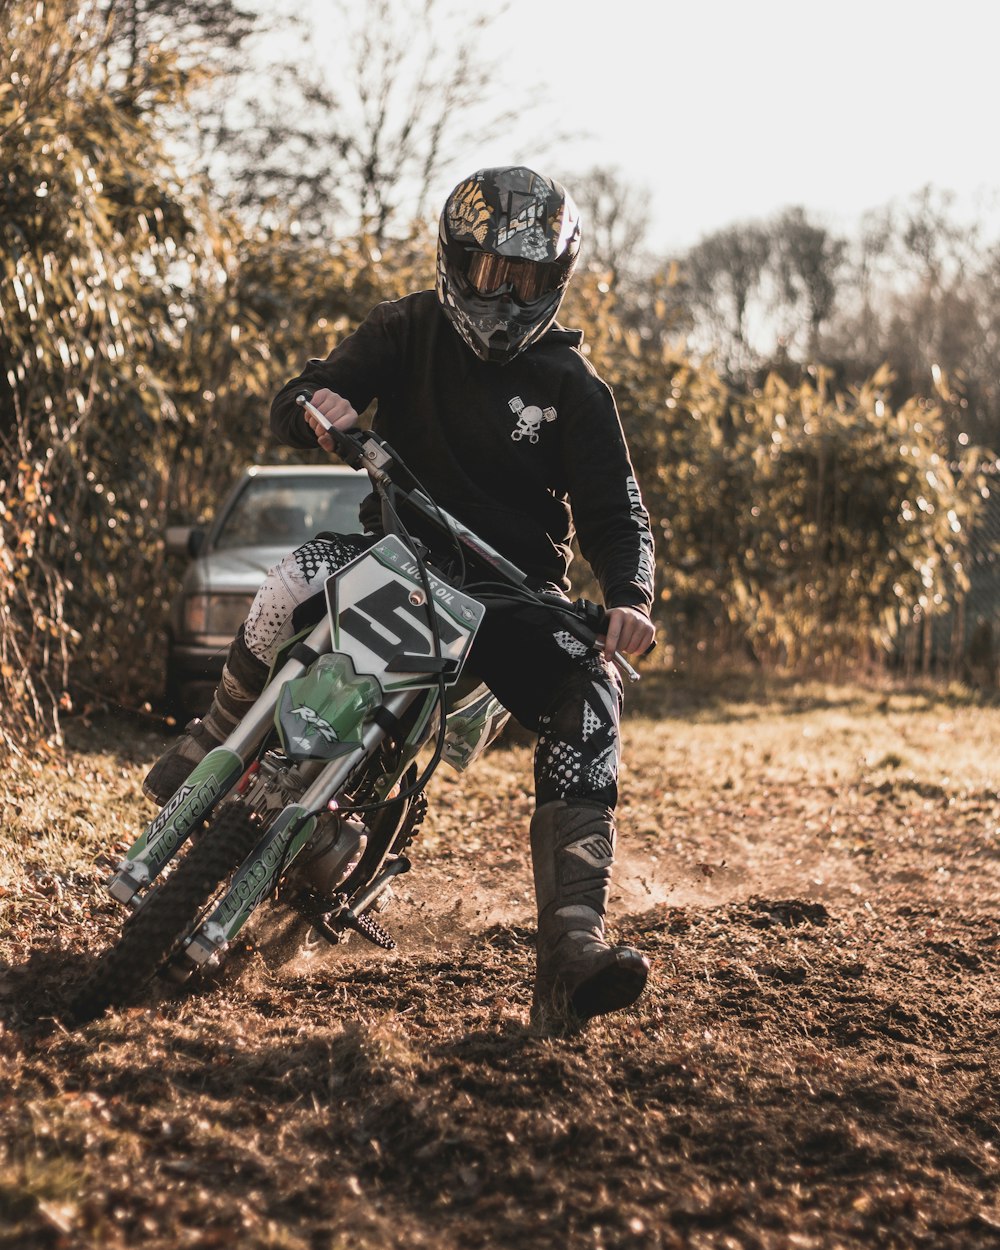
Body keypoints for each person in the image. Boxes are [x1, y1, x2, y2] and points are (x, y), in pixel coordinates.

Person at [145, 166, 657, 1027]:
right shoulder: (404, 327)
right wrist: (319, 408)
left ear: (556, 283)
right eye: (495, 274)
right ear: (456, 262)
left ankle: (572, 943)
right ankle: (212, 735)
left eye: (528, 281)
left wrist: (629, 594)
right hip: (394, 551)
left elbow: (619, 512)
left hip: (513, 596)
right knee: (289, 578)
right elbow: (299, 393)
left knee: (593, 698)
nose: (507, 296)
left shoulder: (576, 388)